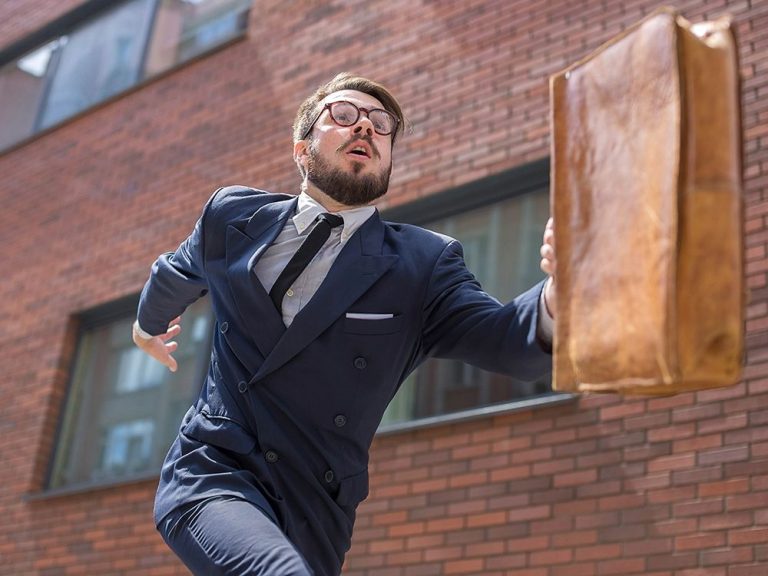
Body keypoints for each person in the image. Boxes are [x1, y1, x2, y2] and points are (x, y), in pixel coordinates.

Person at [133, 73, 557, 576]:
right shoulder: (232, 216)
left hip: (317, 504)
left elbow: (508, 339)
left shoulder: (423, 263)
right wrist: (146, 326)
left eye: (382, 126)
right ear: (301, 148)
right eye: (343, 115)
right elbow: (175, 271)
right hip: (215, 471)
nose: (366, 128)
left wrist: (562, 286)